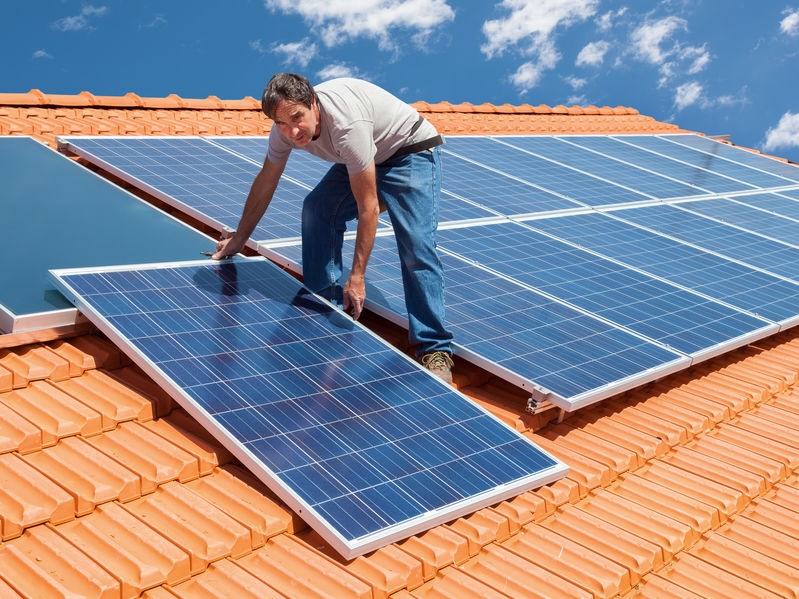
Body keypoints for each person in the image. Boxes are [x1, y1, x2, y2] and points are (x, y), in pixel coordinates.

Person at [212, 73, 455, 382]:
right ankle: (323, 306)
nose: (292, 131)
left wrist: (357, 278)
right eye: (282, 123)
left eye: (298, 117)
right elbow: (266, 181)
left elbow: (368, 209)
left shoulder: (347, 126)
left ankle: (434, 347)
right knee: (317, 209)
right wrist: (239, 239)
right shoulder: (283, 132)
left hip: (410, 152)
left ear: (314, 103)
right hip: (364, 159)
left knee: (416, 246)